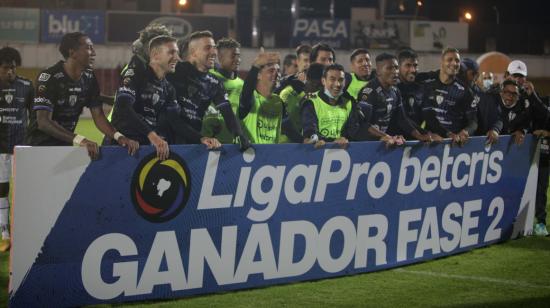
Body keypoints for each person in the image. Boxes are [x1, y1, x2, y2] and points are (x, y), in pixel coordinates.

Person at [25, 32, 139, 159]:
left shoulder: (89, 78)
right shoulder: (49, 77)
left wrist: (119, 137)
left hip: (65, 149)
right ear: (72, 52)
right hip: (37, 149)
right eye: (89, 48)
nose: (94, 53)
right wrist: (81, 140)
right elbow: (44, 122)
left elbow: (99, 116)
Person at [166, 30, 249, 150]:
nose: (213, 52)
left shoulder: (214, 82)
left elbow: (228, 112)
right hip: (167, 142)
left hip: (192, 143)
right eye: (207, 48)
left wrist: (239, 135)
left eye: (214, 48)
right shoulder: (174, 72)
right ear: (194, 53)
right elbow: (171, 117)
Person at [110, 35, 184, 160]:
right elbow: (123, 106)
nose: (177, 58)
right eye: (172, 52)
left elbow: (175, 122)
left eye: (177, 53)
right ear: (155, 55)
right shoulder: (135, 74)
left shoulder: (169, 88)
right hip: (123, 147)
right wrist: (152, 135)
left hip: (148, 148)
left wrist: (201, 138)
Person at [505, 60, 550, 236]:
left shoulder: (535, 97)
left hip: (541, 151)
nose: (519, 79)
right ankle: (512, 222)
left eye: (521, 76)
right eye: (515, 76)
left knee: (541, 187)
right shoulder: (504, 96)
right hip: (515, 151)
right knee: (514, 187)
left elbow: (546, 117)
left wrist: (532, 97)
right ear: (508, 75)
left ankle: (540, 222)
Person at [353, 53, 431, 146]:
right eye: (389, 68)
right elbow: (363, 124)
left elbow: (401, 119)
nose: (395, 72)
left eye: (396, 67)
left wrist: (420, 136)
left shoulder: (395, 91)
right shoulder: (369, 92)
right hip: (365, 145)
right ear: (378, 71)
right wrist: (386, 136)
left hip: (383, 142)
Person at [0, 47, 34, 252]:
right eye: (5, 68)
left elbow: (35, 116)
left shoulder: (27, 86)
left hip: (22, 148)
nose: (10, 72)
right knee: (2, 191)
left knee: (23, 192)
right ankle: (4, 232)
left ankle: (23, 231)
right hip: (1, 150)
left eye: (13, 68)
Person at [420, 47, 478, 146]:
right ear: (441, 62)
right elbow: (426, 115)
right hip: (430, 142)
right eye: (449, 60)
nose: (454, 63)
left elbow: (474, 122)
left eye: (457, 60)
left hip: (453, 144)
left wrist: (466, 131)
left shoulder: (465, 91)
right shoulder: (427, 83)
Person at [201, 37, 244, 144]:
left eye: (238, 56)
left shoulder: (241, 84)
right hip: (209, 141)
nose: (238, 60)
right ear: (219, 57)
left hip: (233, 142)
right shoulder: (208, 78)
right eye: (233, 56)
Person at [301, 64, 353, 149]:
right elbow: (309, 131)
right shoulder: (311, 101)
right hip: (316, 154)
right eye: (332, 79)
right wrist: (333, 142)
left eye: (341, 80)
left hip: (343, 152)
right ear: (323, 81)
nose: (337, 84)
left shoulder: (348, 103)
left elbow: (353, 131)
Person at [239, 50, 283, 144]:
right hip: (249, 156)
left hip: (271, 156)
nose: (276, 74)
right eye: (271, 71)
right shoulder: (250, 97)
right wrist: (256, 66)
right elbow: (247, 90)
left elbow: (289, 127)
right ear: (258, 75)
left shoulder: (278, 101)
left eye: (278, 71)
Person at [459, 58, 501, 145]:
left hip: (475, 146)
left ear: (476, 75)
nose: (460, 74)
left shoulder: (486, 96)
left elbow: (498, 119)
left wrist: (495, 129)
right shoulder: (449, 90)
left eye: (463, 72)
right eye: (459, 71)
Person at [396, 48, 424, 128]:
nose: (413, 70)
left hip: (417, 139)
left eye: (415, 65)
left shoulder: (421, 88)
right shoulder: (391, 89)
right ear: (398, 67)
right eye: (408, 65)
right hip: (396, 139)